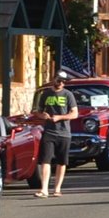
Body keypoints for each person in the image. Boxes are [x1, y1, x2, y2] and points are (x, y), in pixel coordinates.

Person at [33, 69, 76, 198]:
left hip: (64, 133)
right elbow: (37, 111)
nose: (61, 83)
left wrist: (60, 117)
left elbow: (75, 113)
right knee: (46, 160)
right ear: (54, 79)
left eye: (63, 81)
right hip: (49, 131)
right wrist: (43, 115)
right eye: (59, 80)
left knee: (61, 162)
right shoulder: (46, 94)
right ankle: (44, 189)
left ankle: (57, 188)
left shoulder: (68, 95)